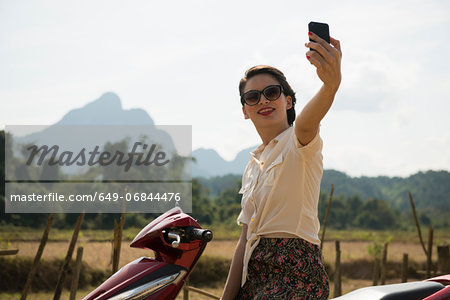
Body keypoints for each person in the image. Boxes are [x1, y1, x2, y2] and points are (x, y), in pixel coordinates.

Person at [221, 31, 342, 300]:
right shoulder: (252, 165)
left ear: (288, 101)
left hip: (295, 277)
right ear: (245, 110)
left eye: (272, 92)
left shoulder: (299, 142)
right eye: (252, 97)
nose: (263, 100)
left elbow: (308, 122)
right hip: (253, 279)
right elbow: (243, 242)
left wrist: (330, 85)